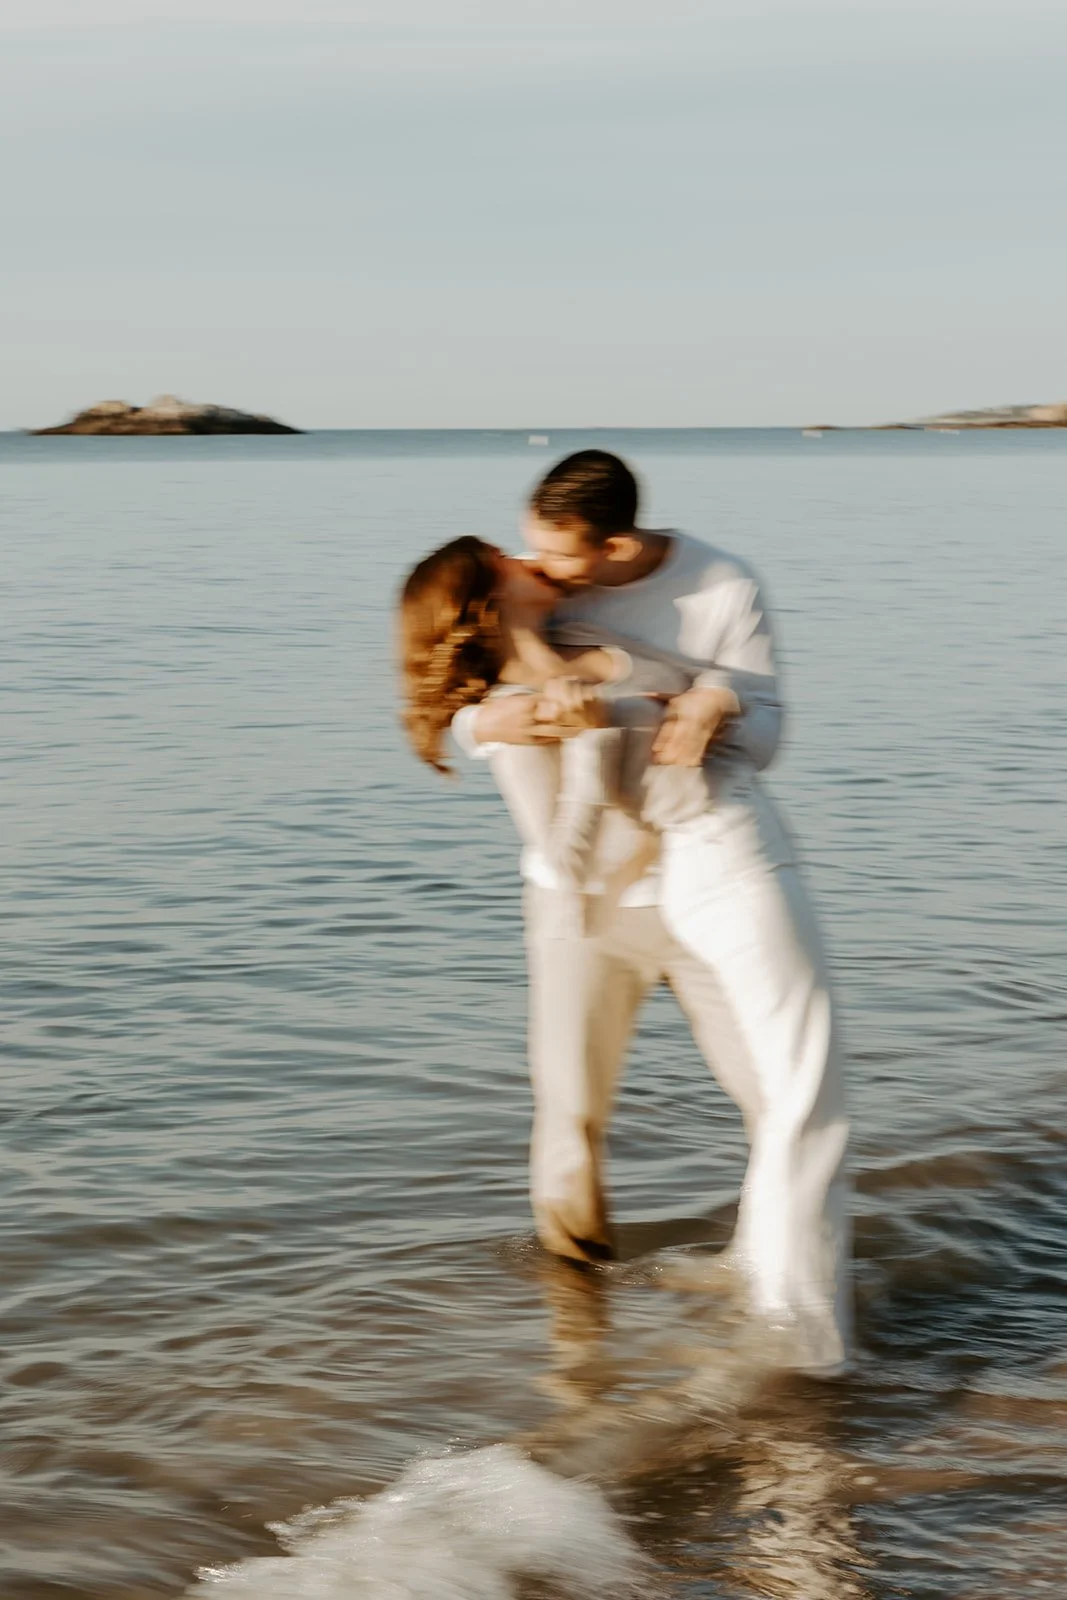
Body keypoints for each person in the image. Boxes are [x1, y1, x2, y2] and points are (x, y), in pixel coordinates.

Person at [397, 453, 851, 1373]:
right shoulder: (511, 671)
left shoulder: (681, 601)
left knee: (773, 1102)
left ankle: (767, 1281)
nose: (534, 562)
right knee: (570, 1123)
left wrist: (708, 700)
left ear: (608, 547)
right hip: (575, 915)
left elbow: (745, 723)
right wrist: (494, 725)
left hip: (691, 890)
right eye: (514, 553)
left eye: (548, 551)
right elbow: (446, 702)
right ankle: (577, 1347)